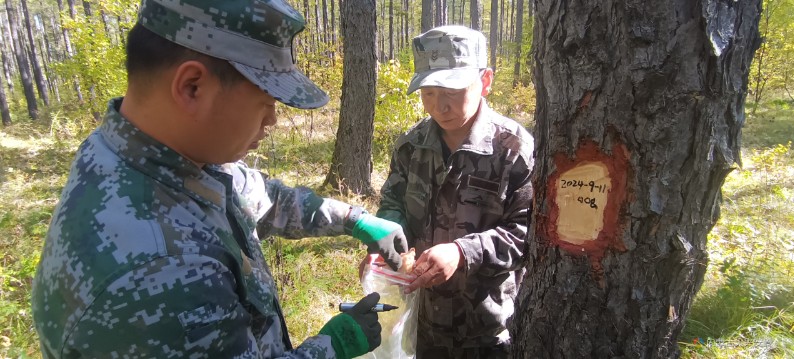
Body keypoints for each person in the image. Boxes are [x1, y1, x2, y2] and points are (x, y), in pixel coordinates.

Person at [30, 0, 408, 358]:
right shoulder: (163, 272)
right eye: (265, 102)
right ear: (192, 86)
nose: (272, 121)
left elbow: (262, 197)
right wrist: (331, 346)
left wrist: (354, 219)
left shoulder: (158, 153)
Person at [374, 25, 535, 358]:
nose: (439, 106)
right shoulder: (410, 146)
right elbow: (393, 205)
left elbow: (526, 235)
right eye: (429, 92)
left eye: (451, 90)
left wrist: (463, 252)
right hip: (421, 324)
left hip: (488, 332)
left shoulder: (514, 150)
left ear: (485, 81)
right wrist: (385, 242)